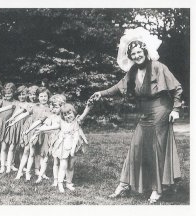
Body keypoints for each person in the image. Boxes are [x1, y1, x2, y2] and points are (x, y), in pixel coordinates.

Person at [88, 27, 182, 203]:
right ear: (130, 56)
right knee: (137, 145)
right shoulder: (132, 72)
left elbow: (176, 88)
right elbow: (118, 87)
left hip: (161, 108)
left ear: (145, 51)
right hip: (145, 112)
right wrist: (101, 92)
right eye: (133, 54)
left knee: (156, 147)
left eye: (139, 52)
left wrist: (176, 109)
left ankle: (157, 188)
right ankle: (124, 184)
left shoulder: (158, 66)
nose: (137, 55)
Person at [36, 102, 91, 192]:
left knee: (71, 165)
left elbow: (76, 136)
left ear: (73, 112)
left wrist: (73, 149)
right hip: (63, 146)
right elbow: (53, 127)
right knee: (63, 165)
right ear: (62, 116)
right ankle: (60, 183)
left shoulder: (76, 122)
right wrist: (41, 129)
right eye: (65, 114)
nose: (67, 116)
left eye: (69, 113)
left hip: (72, 146)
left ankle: (68, 183)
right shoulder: (61, 122)